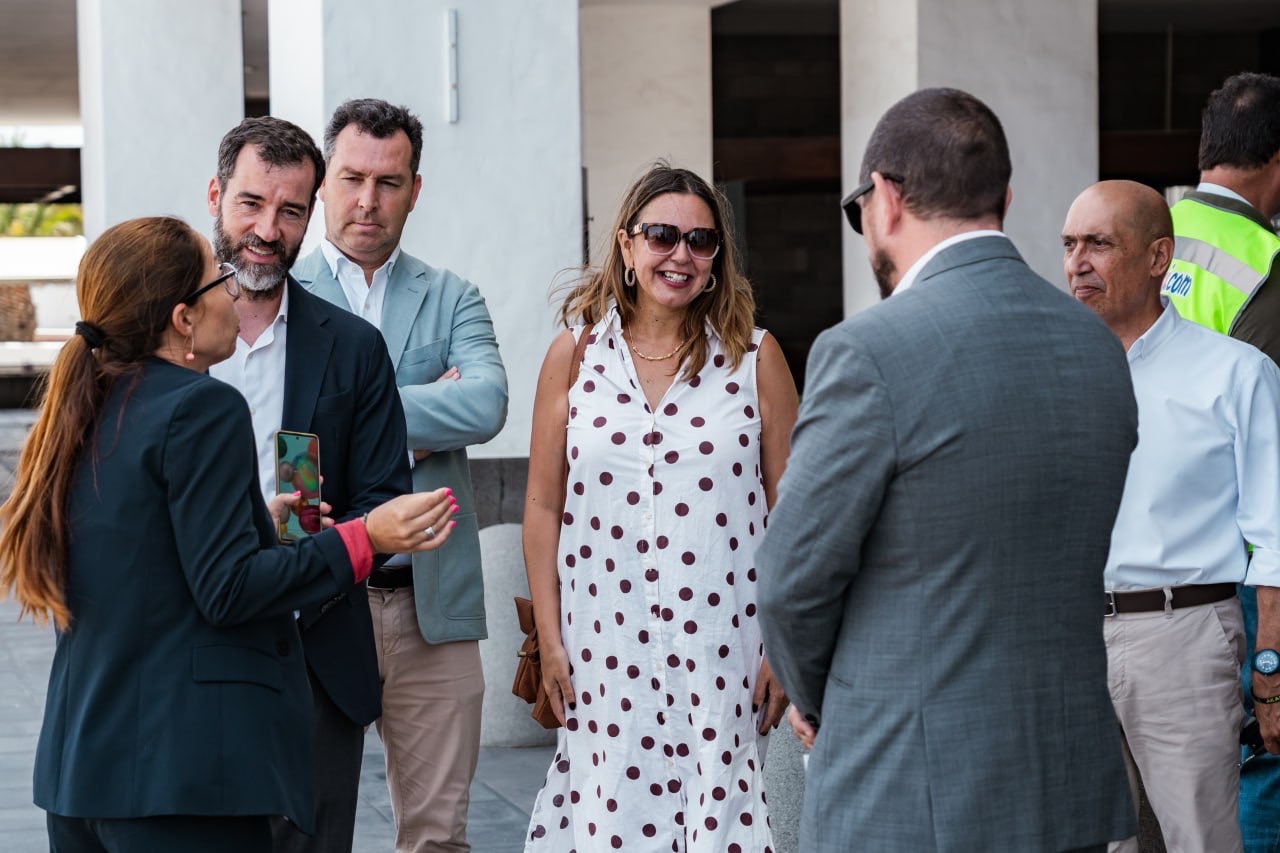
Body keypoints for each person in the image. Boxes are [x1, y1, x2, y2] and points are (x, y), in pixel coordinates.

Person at [755, 88, 1138, 852]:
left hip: (912, 787)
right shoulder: (1097, 344)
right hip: (1067, 778)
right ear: (1005, 197)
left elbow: (792, 580)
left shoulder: (867, 350)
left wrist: (817, 697)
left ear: (886, 199)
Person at [0, 216, 457, 853]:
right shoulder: (201, 405)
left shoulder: (90, 405)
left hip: (83, 774)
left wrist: (254, 526)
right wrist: (366, 537)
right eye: (221, 283)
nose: (235, 295)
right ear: (183, 319)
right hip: (183, 778)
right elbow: (231, 589)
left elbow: (144, 558)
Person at [521, 162, 798, 850]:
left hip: (723, 650)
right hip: (602, 653)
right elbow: (541, 506)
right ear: (625, 244)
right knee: (608, 814)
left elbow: (794, 511)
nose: (681, 254)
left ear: (717, 260)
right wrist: (551, 642)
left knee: (721, 817)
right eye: (663, 235)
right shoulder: (576, 355)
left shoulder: (755, 358)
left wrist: (787, 648)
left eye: (701, 241)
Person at [294, 98, 508, 853]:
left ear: (415, 189)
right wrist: (418, 406)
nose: (367, 200)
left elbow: (486, 404)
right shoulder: (281, 297)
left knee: (437, 836)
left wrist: (348, 414)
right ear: (324, 183)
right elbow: (273, 423)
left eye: (389, 182)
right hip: (315, 599)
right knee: (307, 828)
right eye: (352, 178)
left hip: (430, 605)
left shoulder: (454, 295)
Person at [204, 116, 415, 853]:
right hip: (191, 659)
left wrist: (331, 536)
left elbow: (386, 497)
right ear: (215, 197)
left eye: (291, 210)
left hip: (313, 660)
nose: (268, 228)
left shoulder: (353, 346)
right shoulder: (161, 336)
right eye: (252, 203)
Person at [1062, 179, 1280, 853]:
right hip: (1067, 641)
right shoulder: (1054, 372)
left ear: (1159, 257)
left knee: (1201, 841)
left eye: (1099, 243)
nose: (1077, 262)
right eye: (1069, 244)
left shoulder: (1236, 372)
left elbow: (1276, 530)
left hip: (1183, 636)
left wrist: (1269, 668)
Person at [1161, 71, 1280, 852]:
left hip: (1141, 563)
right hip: (1239, 563)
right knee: (1263, 757)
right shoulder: (1264, 259)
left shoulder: (1127, 235)